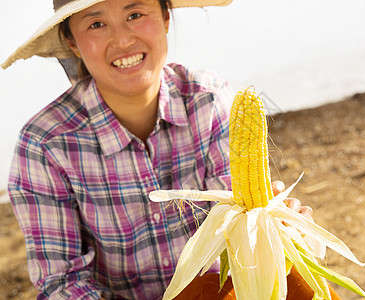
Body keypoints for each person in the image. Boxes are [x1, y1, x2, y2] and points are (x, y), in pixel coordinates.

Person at [2, 0, 315, 299]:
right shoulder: (44, 144)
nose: (123, 39)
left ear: (166, 17)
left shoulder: (209, 100)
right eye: (96, 24)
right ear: (72, 43)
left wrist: (282, 230)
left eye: (135, 14)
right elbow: (62, 282)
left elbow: (241, 230)